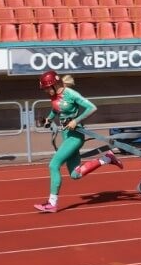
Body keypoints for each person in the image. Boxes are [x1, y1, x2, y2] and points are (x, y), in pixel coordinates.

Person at [34, 70, 123, 213]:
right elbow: (56, 109)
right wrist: (48, 119)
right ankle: (107, 158)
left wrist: (76, 120)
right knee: (76, 174)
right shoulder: (55, 95)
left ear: (54, 85)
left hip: (75, 137)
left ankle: (52, 203)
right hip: (66, 136)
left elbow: (92, 107)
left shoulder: (71, 94)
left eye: (45, 88)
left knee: (53, 165)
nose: (44, 91)